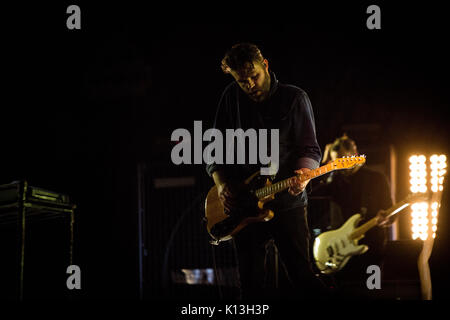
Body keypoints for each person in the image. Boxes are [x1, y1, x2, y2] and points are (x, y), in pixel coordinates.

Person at [205, 43, 327, 299]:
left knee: (302, 279)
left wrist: (304, 175)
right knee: (250, 286)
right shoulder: (230, 97)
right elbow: (214, 150)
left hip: (288, 202)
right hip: (243, 206)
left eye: (254, 76)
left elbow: (311, 149)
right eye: (242, 80)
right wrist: (221, 185)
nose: (249, 84)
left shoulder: (295, 98)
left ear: (266, 66)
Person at [310, 134, 394, 298]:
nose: (339, 164)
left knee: (374, 291)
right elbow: (310, 190)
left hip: (373, 250)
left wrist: (387, 219)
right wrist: (325, 165)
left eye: (342, 159)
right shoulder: (333, 183)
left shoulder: (376, 178)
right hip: (341, 254)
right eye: (336, 161)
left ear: (354, 154)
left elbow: (390, 212)